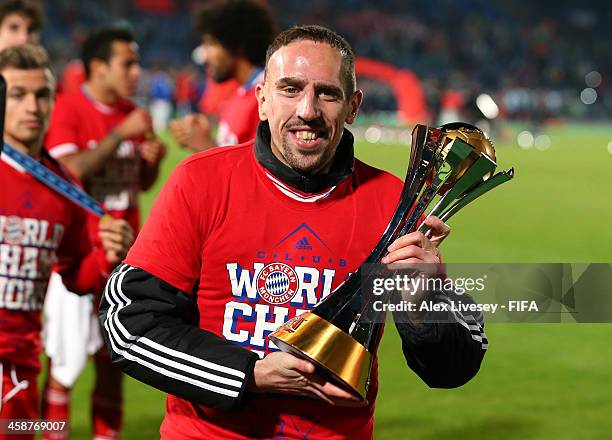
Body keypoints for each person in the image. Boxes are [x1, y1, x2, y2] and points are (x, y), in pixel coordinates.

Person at [99, 25, 487, 439]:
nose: (307, 110)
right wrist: (252, 373)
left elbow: (454, 367)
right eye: (290, 89)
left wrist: (422, 303)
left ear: (353, 106)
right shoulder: (201, 181)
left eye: (327, 93)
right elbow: (129, 324)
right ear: (262, 99)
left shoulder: (393, 202)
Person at [0, 44, 133, 439]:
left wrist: (108, 256)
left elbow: (77, 274)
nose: (32, 107)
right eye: (18, 95)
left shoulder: (63, 188)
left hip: (21, 369)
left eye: (42, 95)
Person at [42, 27, 166, 439]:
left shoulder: (132, 112)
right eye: (127, 63)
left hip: (126, 258)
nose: (136, 71)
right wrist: (119, 136)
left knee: (115, 361)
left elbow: (138, 185)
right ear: (98, 67)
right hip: (78, 255)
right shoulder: (68, 109)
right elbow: (67, 172)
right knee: (65, 362)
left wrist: (151, 160)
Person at [169, 0, 276, 151]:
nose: (205, 56)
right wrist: (204, 138)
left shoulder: (266, 100)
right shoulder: (239, 95)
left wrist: (205, 146)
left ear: (236, 45)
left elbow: (260, 173)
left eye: (211, 44)